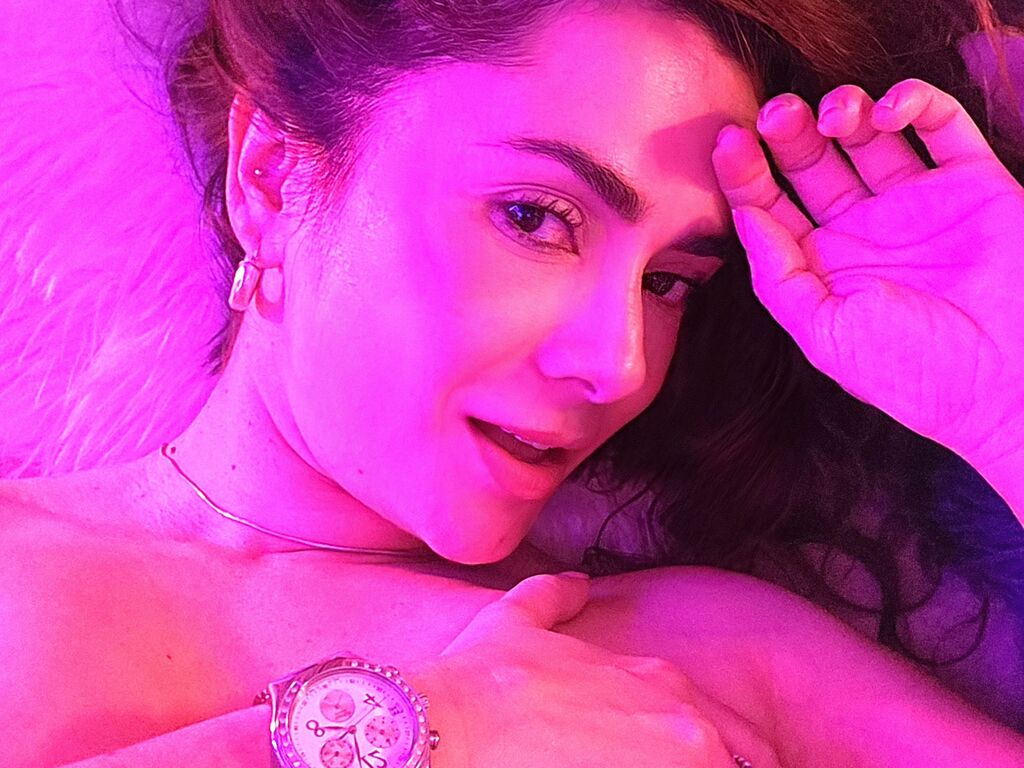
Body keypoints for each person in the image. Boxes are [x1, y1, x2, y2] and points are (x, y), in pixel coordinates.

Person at [1, 1, 1022, 767]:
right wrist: (422, 731)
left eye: (668, 282)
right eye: (537, 218)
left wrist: (1004, 398)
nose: (619, 363)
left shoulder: (712, 654)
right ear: (272, 174)